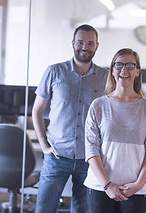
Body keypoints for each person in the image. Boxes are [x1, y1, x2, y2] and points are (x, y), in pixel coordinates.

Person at [32, 24, 109, 213]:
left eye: (90, 43)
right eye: (81, 42)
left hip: (90, 157)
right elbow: (37, 110)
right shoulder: (54, 72)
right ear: (73, 43)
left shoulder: (106, 77)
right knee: (44, 209)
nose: (85, 47)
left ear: (97, 46)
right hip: (57, 156)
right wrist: (44, 146)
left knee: (82, 210)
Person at [84, 48, 146, 213]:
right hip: (100, 186)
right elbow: (91, 149)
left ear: (138, 71)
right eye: (118, 65)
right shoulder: (98, 105)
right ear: (111, 70)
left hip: (136, 187)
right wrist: (107, 184)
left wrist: (139, 184)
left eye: (130, 65)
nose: (124, 70)